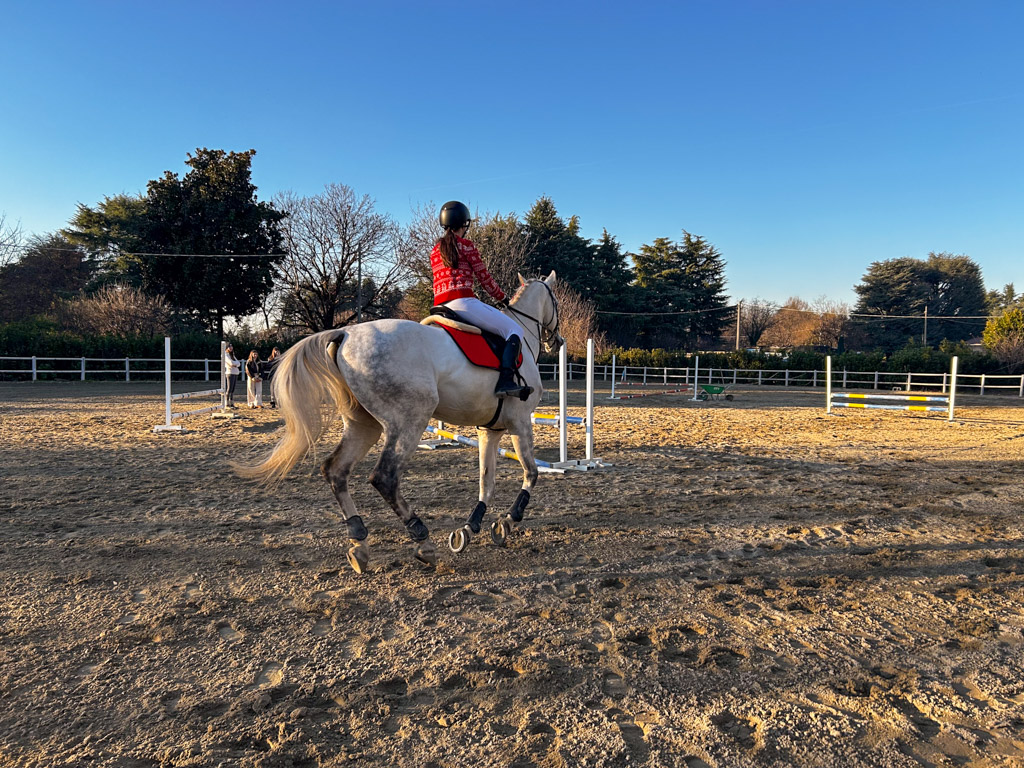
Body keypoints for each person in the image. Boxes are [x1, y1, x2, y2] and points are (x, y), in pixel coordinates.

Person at [430, 200, 532, 399]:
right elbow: (485, 279)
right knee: (514, 330)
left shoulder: (435, 250)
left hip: (439, 306)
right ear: (464, 223)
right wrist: (502, 298)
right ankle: (505, 381)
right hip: (463, 302)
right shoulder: (466, 246)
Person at [223, 343, 241, 408]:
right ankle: (227, 403)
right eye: (229, 346)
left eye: (231, 346)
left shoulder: (232, 355)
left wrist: (234, 364)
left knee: (232, 389)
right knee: (229, 388)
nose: (231, 348)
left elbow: (238, 363)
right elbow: (230, 363)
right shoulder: (225, 355)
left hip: (235, 372)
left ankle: (231, 403)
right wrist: (235, 364)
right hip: (230, 372)